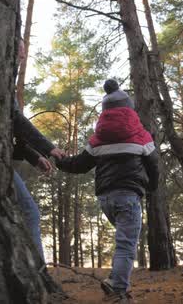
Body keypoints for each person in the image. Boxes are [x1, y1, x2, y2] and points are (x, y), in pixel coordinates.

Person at [56, 79, 159, 303]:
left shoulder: (98, 139)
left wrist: (59, 161)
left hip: (106, 200)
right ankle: (118, 290)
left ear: (105, 112)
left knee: (124, 241)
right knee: (126, 245)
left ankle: (114, 279)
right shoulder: (142, 135)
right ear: (130, 109)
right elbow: (153, 164)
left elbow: (79, 165)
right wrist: (152, 186)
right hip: (128, 197)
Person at [12, 38, 65, 262]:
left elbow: (8, 128)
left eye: (24, 52)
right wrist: (48, 148)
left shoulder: (5, 81)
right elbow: (15, 120)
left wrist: (34, 157)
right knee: (29, 212)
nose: (23, 56)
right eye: (19, 50)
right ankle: (38, 271)